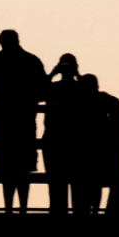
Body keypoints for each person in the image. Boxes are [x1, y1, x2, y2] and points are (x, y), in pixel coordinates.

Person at [0, 30, 46, 214]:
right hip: (22, 119)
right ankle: (21, 207)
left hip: (4, 119)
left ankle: (10, 207)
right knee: (21, 165)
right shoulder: (31, 60)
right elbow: (43, 91)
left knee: (9, 164)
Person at [75, 74, 119, 214]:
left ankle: (89, 210)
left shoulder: (80, 101)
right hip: (98, 147)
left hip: (85, 148)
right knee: (96, 183)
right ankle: (95, 210)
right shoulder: (101, 98)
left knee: (87, 183)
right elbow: (116, 102)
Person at [43, 53, 83, 214]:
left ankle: (63, 212)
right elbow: (39, 92)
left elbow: (90, 94)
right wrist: (52, 74)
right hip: (64, 138)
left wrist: (54, 74)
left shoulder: (78, 88)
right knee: (56, 184)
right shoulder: (55, 87)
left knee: (73, 184)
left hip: (63, 138)